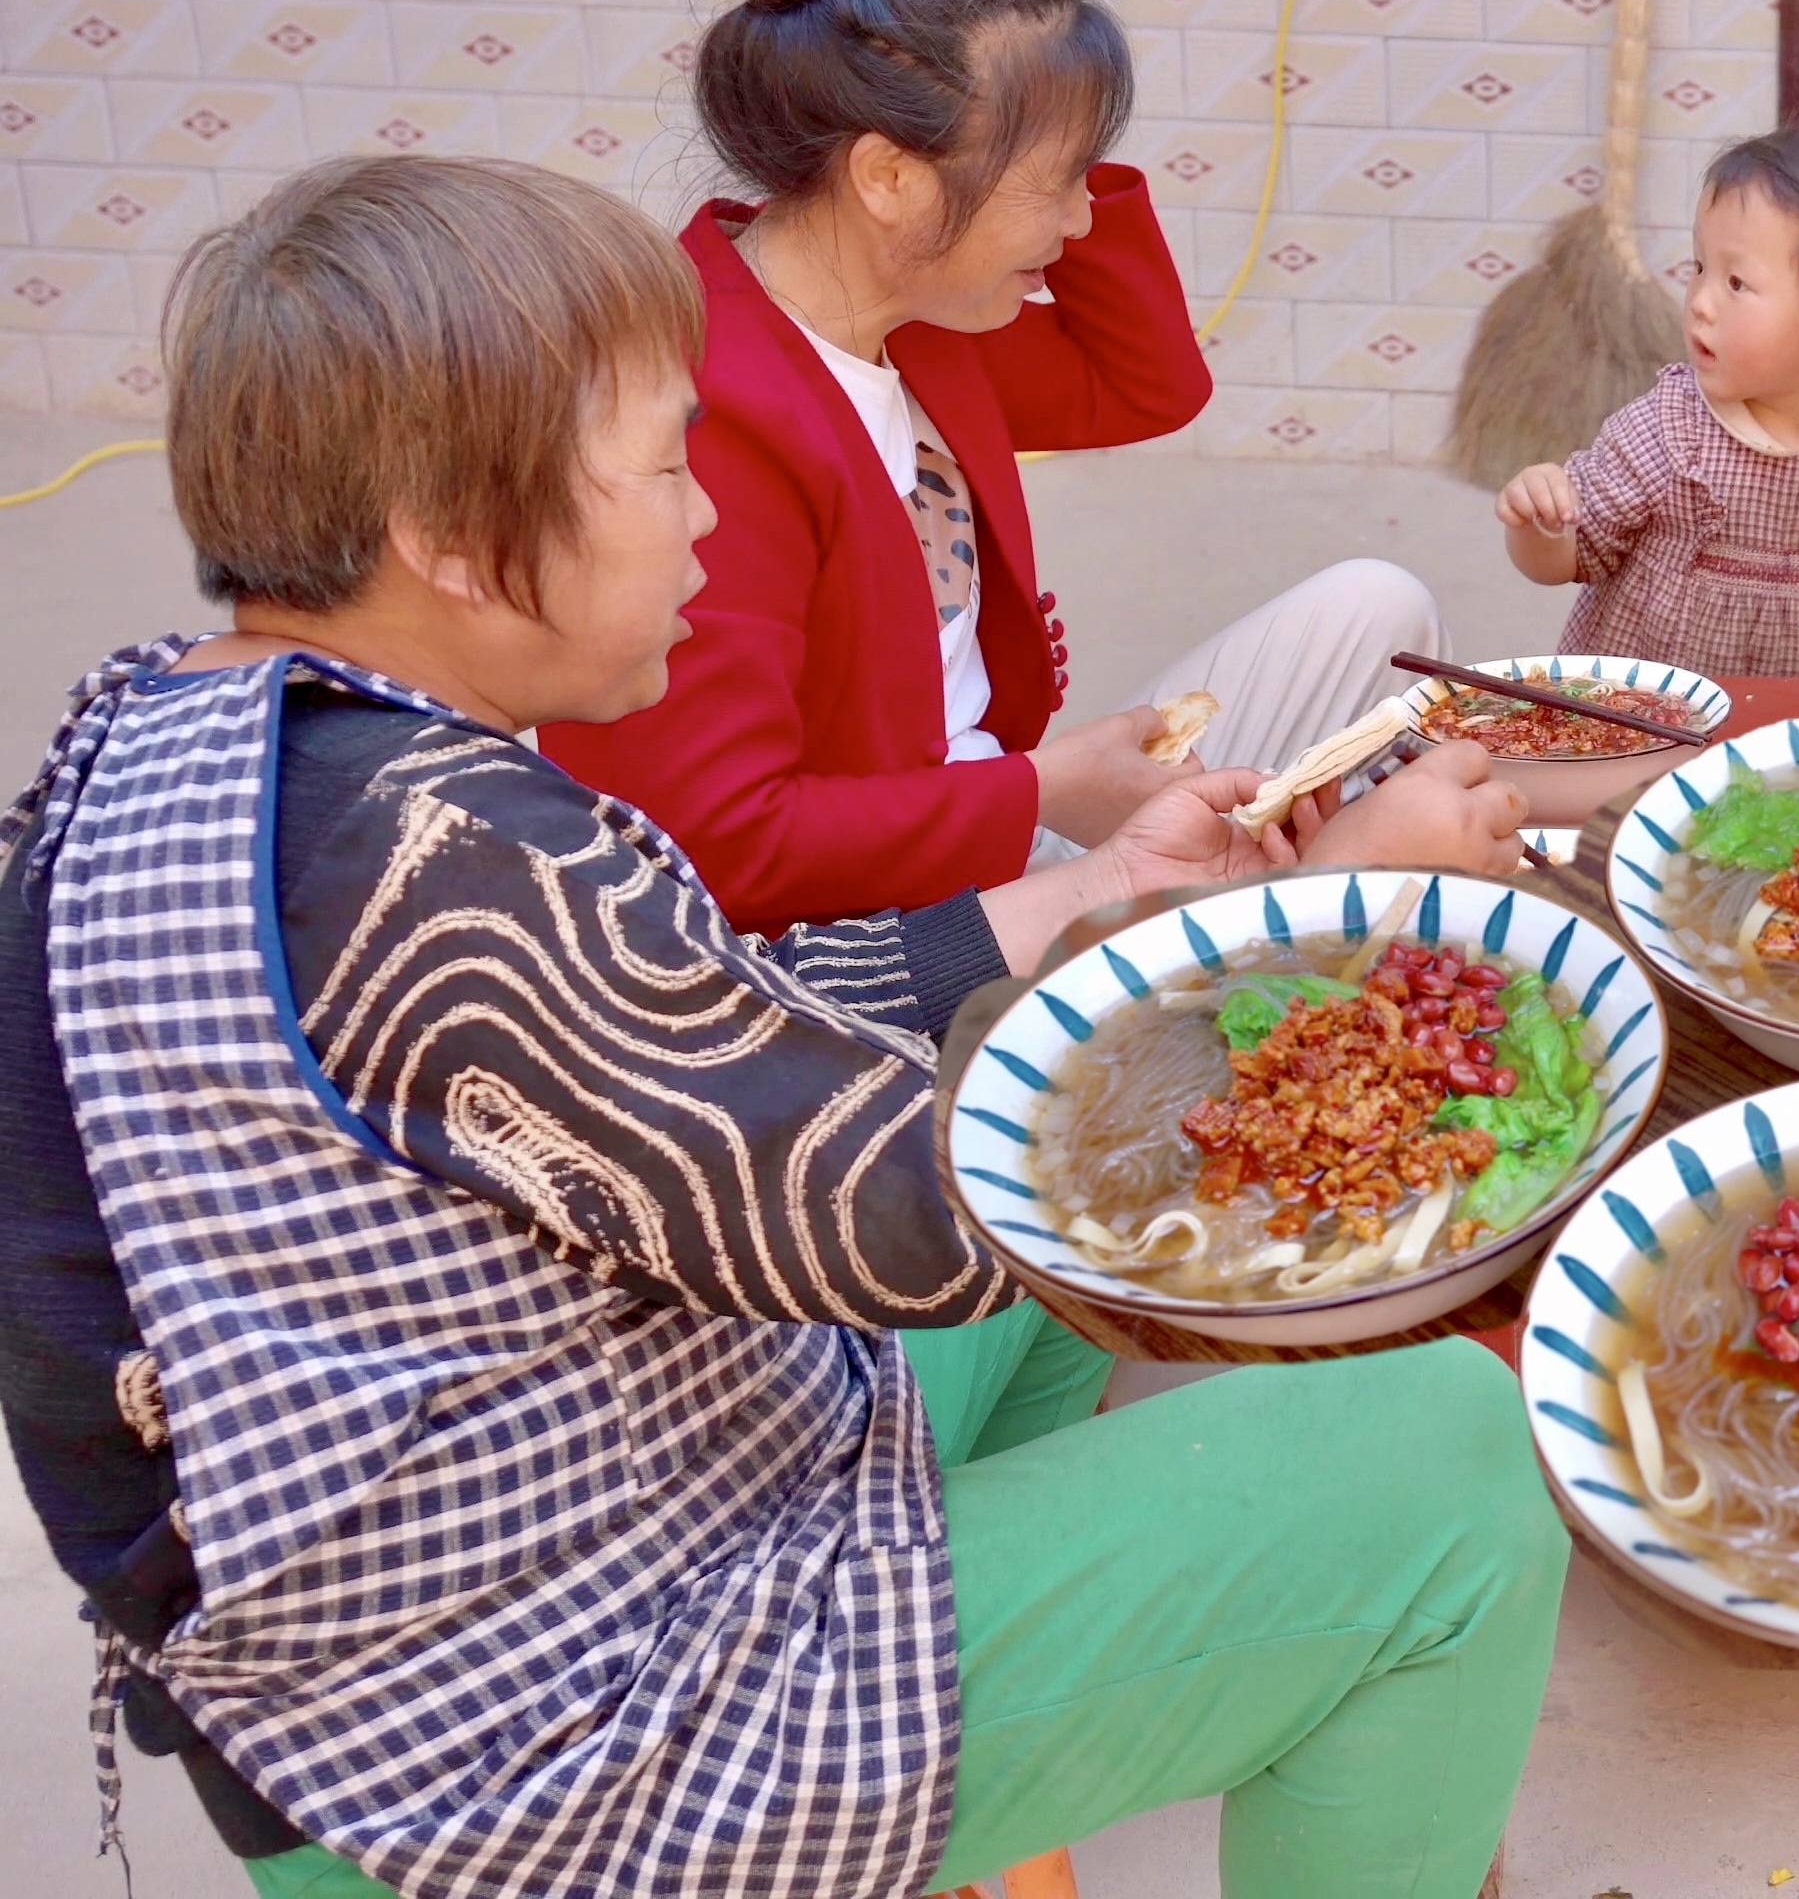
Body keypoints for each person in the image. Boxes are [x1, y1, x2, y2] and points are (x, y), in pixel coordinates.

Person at [0, 154, 1555, 1899]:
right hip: (500, 1739)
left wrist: (1118, 893)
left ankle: (976, 1794)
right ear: (449, 538)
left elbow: (715, 1026)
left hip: (409, 1597)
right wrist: (1316, 920)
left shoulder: (179, 744)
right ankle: (964, 1739)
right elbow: (949, 1209)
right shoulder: (446, 868)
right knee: (1445, 1469)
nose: (707, 519)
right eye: (665, 465)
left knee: (1035, 1335)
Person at [547, 0, 1455, 935]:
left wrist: (1052, 147)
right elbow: (726, 850)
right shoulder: (700, 416)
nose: (1081, 218)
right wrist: (1048, 792)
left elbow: (1146, 385)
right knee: (1386, 857)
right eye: (1058, 178)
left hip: (996, 814)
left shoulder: (907, 307)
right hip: (892, 934)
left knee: (1379, 612)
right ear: (889, 177)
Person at [1494, 123, 1799, 677]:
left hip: (1796, 730)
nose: (1700, 301)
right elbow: (1571, 557)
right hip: (1646, 714)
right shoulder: (1670, 430)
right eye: (1701, 268)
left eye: (1736, 283)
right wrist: (1541, 527)